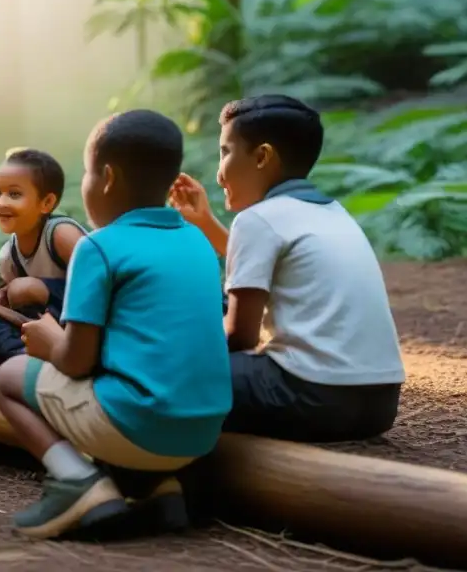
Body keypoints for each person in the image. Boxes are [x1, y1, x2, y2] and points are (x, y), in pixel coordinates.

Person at [0, 110, 232, 539]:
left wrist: (50, 342)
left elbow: (77, 362)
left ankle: (76, 483)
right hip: (202, 432)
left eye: (85, 174)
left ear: (106, 178)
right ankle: (160, 488)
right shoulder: (197, 240)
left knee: (9, 378)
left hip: (139, 424)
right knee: (120, 380)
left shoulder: (99, 248)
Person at [169, 94, 406, 443]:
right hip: (379, 405)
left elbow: (240, 337)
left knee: (164, 370)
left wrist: (175, 349)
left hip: (312, 397)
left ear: (263, 156)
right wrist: (205, 222)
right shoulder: (332, 213)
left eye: (225, 152)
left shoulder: (258, 220)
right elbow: (262, 262)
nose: (219, 175)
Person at [0, 148, 87, 364]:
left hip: (84, 324)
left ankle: (64, 355)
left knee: (23, 288)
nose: (1, 203)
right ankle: (25, 357)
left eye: (14, 194)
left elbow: (98, 285)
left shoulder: (61, 234)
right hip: (46, 325)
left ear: (47, 203)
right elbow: (27, 312)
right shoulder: (8, 257)